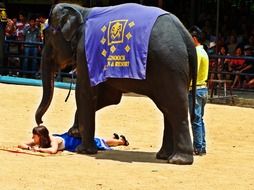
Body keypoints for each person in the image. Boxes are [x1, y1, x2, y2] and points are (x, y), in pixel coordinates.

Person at [18, 125, 129, 154]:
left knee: (98, 142)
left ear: (40, 136)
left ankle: (121, 141)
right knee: (98, 140)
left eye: (34, 136)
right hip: (66, 137)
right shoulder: (40, 140)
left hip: (72, 142)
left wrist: (39, 150)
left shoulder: (53, 140)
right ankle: (114, 139)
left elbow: (53, 150)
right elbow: (21, 144)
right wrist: (29, 147)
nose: (32, 138)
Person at [188, 26, 209, 156]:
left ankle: (198, 147)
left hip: (196, 89)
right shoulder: (204, 52)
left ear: (194, 39)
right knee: (199, 119)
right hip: (203, 88)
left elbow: (193, 73)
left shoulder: (197, 52)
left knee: (195, 119)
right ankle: (202, 145)